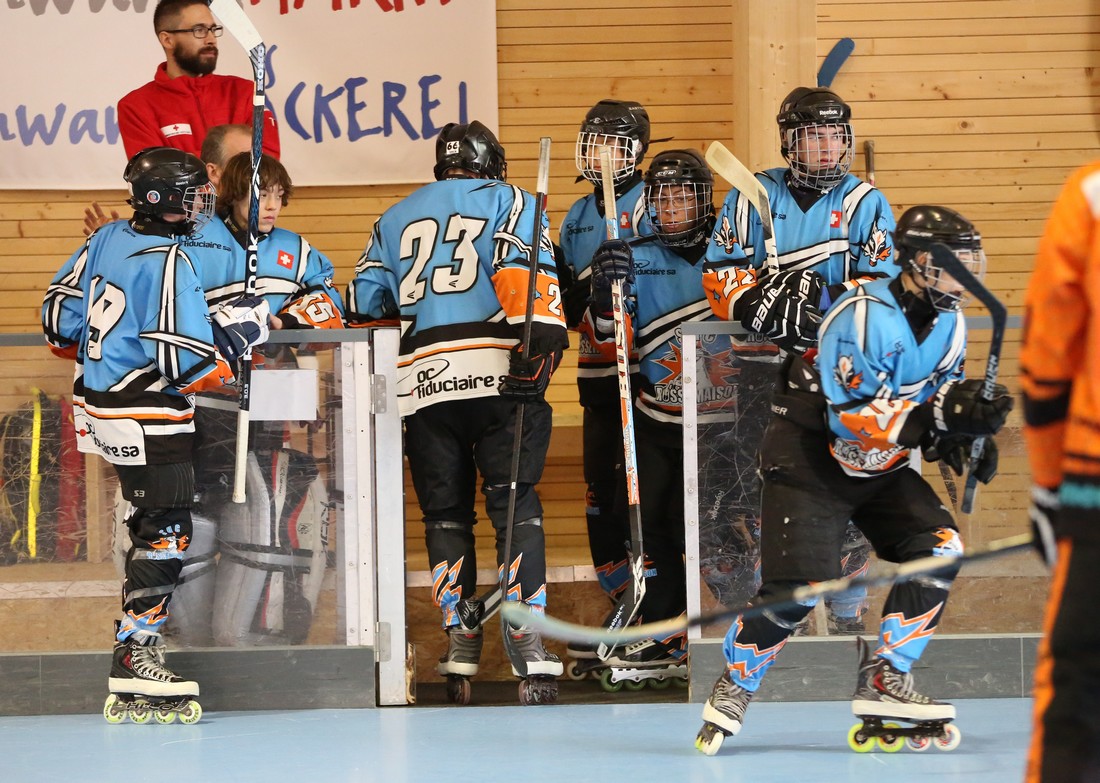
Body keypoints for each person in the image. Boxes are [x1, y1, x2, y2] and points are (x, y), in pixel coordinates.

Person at [695, 205, 1014, 755]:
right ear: (916, 263)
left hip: (880, 463)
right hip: (810, 455)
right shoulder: (860, 313)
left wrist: (965, 435)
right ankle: (737, 682)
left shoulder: (952, 324)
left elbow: (936, 400)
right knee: (799, 592)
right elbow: (853, 418)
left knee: (939, 548)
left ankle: (887, 677)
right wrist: (936, 419)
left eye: (969, 261)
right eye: (951, 263)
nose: (964, 276)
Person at [41, 147, 270, 722]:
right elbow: (187, 364)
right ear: (161, 199)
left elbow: (58, 324)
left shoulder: (105, 238)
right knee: (167, 530)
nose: (202, 205)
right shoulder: (170, 260)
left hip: (101, 406)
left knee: (151, 523)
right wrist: (240, 334)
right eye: (192, 196)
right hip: (149, 412)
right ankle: (135, 652)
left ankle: (136, 644)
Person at [345, 121, 569, 704]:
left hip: (423, 386)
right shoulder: (513, 200)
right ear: (491, 162)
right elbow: (529, 288)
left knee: (445, 516)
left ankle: (460, 637)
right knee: (514, 505)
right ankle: (526, 638)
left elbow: (365, 303)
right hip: (499, 378)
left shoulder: (393, 217)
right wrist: (542, 350)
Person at [702, 86, 897, 634]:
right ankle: (780, 616)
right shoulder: (752, 194)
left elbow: (881, 284)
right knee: (764, 489)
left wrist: (821, 305)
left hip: (839, 373)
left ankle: (847, 611)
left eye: (836, 135)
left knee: (846, 484)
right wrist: (755, 303)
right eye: (814, 136)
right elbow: (720, 271)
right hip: (760, 369)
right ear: (790, 143)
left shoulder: (865, 202)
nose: (827, 146)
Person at [162, 150, 344, 648]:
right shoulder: (193, 238)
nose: (273, 206)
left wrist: (284, 322)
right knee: (193, 515)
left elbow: (330, 303)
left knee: (260, 516)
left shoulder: (295, 250)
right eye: (262, 195)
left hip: (266, 408)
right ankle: (190, 639)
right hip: (198, 406)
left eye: (280, 196)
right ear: (234, 194)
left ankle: (246, 634)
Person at [578, 149, 729, 685]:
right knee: (649, 526)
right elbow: (604, 339)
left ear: (704, 200)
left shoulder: (733, 249)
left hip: (725, 426)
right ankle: (668, 630)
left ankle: (748, 633)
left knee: (720, 530)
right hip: (656, 419)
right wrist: (603, 298)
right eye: (662, 198)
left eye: (682, 196)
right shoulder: (633, 256)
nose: (671, 207)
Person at [556, 99, 651, 657]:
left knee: (640, 494)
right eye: (594, 142)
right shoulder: (575, 216)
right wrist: (583, 294)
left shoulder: (655, 200)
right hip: (597, 373)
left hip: (646, 373)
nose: (600, 153)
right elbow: (566, 307)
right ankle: (621, 598)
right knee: (600, 493)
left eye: (612, 143)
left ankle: (656, 606)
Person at [1020, 162, 1100, 782]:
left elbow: (1048, 354)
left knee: (1079, 685)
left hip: (1095, 480)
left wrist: (1051, 484)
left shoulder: (1093, 193)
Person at [118, 0, 280, 161]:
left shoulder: (244, 91)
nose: (211, 39)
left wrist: (188, 160)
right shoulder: (135, 107)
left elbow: (266, 162)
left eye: (213, 29)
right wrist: (233, 161)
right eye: (199, 30)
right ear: (167, 40)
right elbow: (159, 172)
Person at [83, 122, 252, 237]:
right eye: (242, 163)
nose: (255, 172)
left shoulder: (260, 218)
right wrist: (114, 241)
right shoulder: (181, 217)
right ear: (213, 171)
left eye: (258, 162)